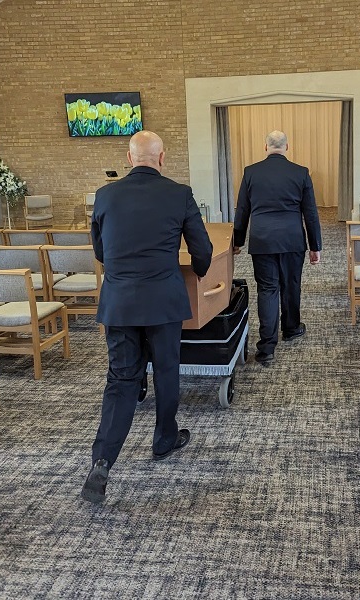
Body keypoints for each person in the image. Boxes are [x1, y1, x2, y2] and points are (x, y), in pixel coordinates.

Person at [81, 130, 213, 504]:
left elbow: (101, 250)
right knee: (167, 368)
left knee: (121, 379)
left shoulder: (105, 196)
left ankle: (102, 461)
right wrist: (201, 268)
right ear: (162, 158)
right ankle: (164, 439)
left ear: (128, 158)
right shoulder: (178, 193)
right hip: (163, 301)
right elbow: (201, 246)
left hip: (120, 303)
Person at [233, 130, 322, 365]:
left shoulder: (251, 172)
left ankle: (267, 347)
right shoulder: (301, 173)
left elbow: (242, 210)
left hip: (262, 241)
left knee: (267, 289)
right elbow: (310, 214)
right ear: (287, 147)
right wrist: (316, 246)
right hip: (292, 240)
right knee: (291, 285)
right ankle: (291, 328)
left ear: (265, 147)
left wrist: (237, 241)